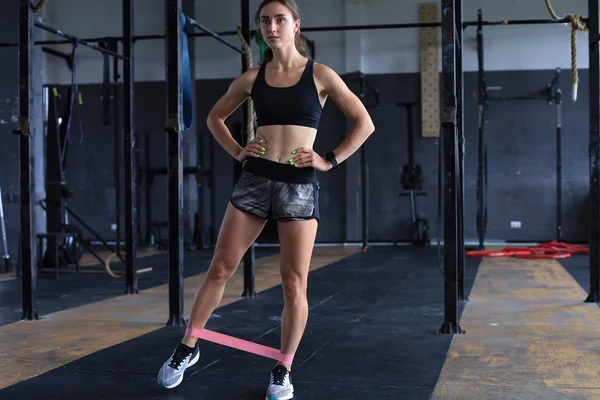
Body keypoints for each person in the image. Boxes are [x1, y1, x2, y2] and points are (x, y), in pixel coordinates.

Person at [157, 0, 375, 398]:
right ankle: (187, 348)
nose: (271, 27)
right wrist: (239, 151)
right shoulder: (252, 78)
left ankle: (283, 368)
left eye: (279, 20)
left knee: (293, 283)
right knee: (220, 269)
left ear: (295, 25)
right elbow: (213, 118)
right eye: (264, 21)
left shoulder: (320, 75)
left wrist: (329, 160)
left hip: (299, 183)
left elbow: (365, 123)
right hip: (256, 179)